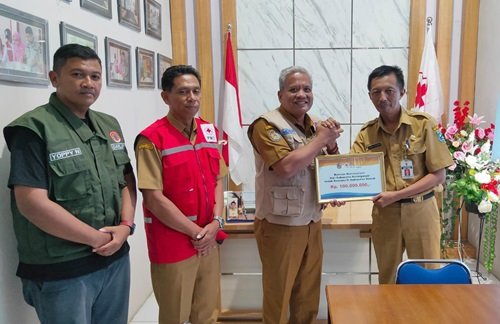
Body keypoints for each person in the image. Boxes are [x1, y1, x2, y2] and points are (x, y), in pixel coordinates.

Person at [3, 43, 137, 324]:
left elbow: (125, 180)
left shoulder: (108, 124)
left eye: (96, 76)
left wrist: (125, 227)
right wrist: (98, 239)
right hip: (63, 270)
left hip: (115, 260)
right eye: (77, 74)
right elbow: (31, 204)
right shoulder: (32, 129)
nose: (88, 83)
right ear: (54, 78)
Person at [247, 66, 344, 324]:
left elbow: (326, 166)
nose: (301, 94)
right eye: (294, 89)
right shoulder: (266, 126)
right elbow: (286, 167)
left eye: (307, 89)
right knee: (279, 296)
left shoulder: (314, 127)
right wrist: (322, 138)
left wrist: (332, 151)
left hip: (312, 221)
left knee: (307, 295)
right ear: (280, 95)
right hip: (281, 225)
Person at [135, 64, 228, 324]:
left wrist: (215, 223)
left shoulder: (208, 130)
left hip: (207, 238)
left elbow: (218, 179)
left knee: (208, 313)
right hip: (173, 242)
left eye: (196, 91)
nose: (192, 98)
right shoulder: (151, 138)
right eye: (183, 91)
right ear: (166, 97)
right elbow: (153, 198)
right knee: (175, 315)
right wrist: (196, 232)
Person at [350, 65, 453, 284]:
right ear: (370, 96)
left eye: (389, 90)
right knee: (388, 278)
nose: (383, 97)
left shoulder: (423, 125)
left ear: (402, 92)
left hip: (421, 210)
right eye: (376, 92)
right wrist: (330, 145)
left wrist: (395, 195)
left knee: (427, 277)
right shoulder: (367, 133)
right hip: (386, 214)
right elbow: (351, 171)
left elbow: (438, 175)